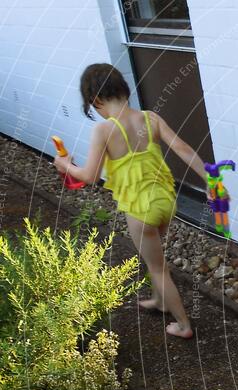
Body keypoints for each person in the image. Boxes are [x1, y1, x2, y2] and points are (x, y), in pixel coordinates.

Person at [54, 63, 212, 339]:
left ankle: (184, 325)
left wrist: (64, 164)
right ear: (124, 90)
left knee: (157, 266)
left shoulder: (104, 131)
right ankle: (160, 301)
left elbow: (89, 176)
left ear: (95, 100)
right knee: (155, 255)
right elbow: (183, 149)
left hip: (140, 209)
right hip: (165, 201)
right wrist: (210, 182)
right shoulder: (150, 118)